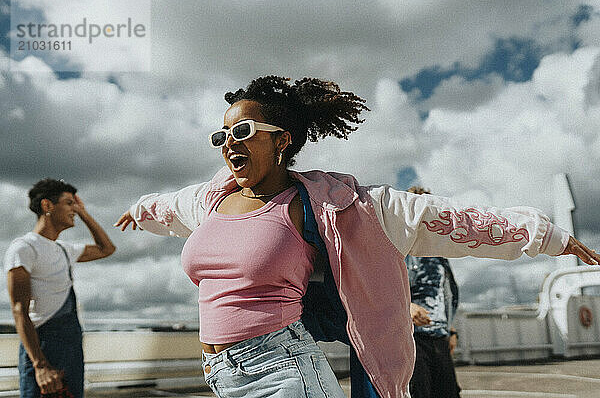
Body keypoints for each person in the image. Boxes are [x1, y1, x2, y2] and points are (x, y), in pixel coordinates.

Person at [114, 76, 599, 398]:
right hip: (218, 375)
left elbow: (440, 217)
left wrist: (544, 234)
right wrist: (139, 211)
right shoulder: (210, 201)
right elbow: (167, 205)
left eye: (242, 130)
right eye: (221, 136)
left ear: (282, 139)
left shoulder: (338, 206)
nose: (228, 144)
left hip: (284, 371)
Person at [4, 179, 116, 398]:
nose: (73, 209)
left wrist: (83, 212)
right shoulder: (23, 248)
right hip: (42, 348)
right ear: (47, 206)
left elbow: (107, 249)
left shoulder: (64, 249)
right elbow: (19, 310)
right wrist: (40, 365)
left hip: (71, 347)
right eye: (68, 203)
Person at [406, 185, 461, 398]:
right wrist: (407, 306)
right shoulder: (399, 250)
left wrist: (451, 330)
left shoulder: (439, 254)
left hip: (439, 337)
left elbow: (445, 295)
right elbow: (380, 290)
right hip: (411, 339)